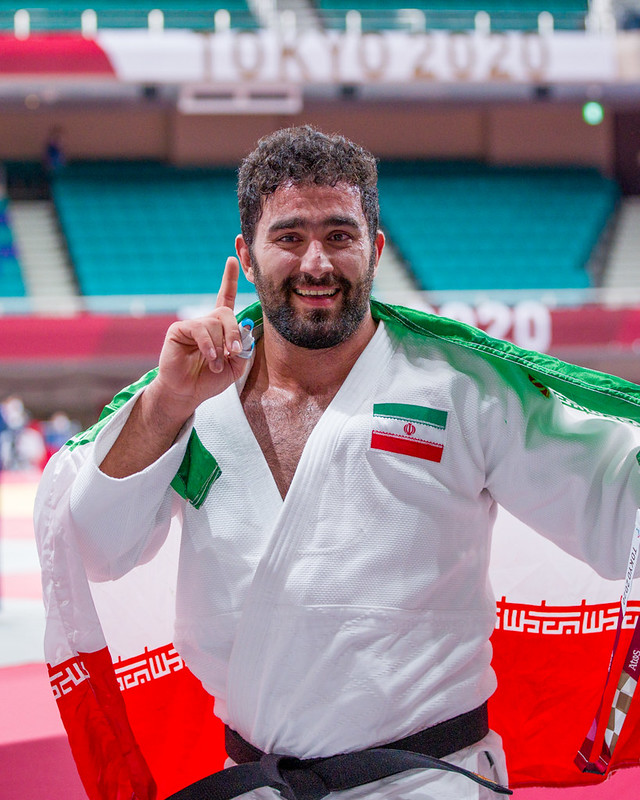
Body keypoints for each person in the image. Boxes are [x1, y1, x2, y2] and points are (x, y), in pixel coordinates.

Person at [35, 126, 640, 800]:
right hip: (254, 782)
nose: (316, 262)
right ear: (248, 254)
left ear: (375, 249)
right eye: (289, 237)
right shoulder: (196, 397)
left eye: (340, 235)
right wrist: (165, 403)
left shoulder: (461, 386)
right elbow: (94, 549)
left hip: (431, 781)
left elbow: (618, 503)